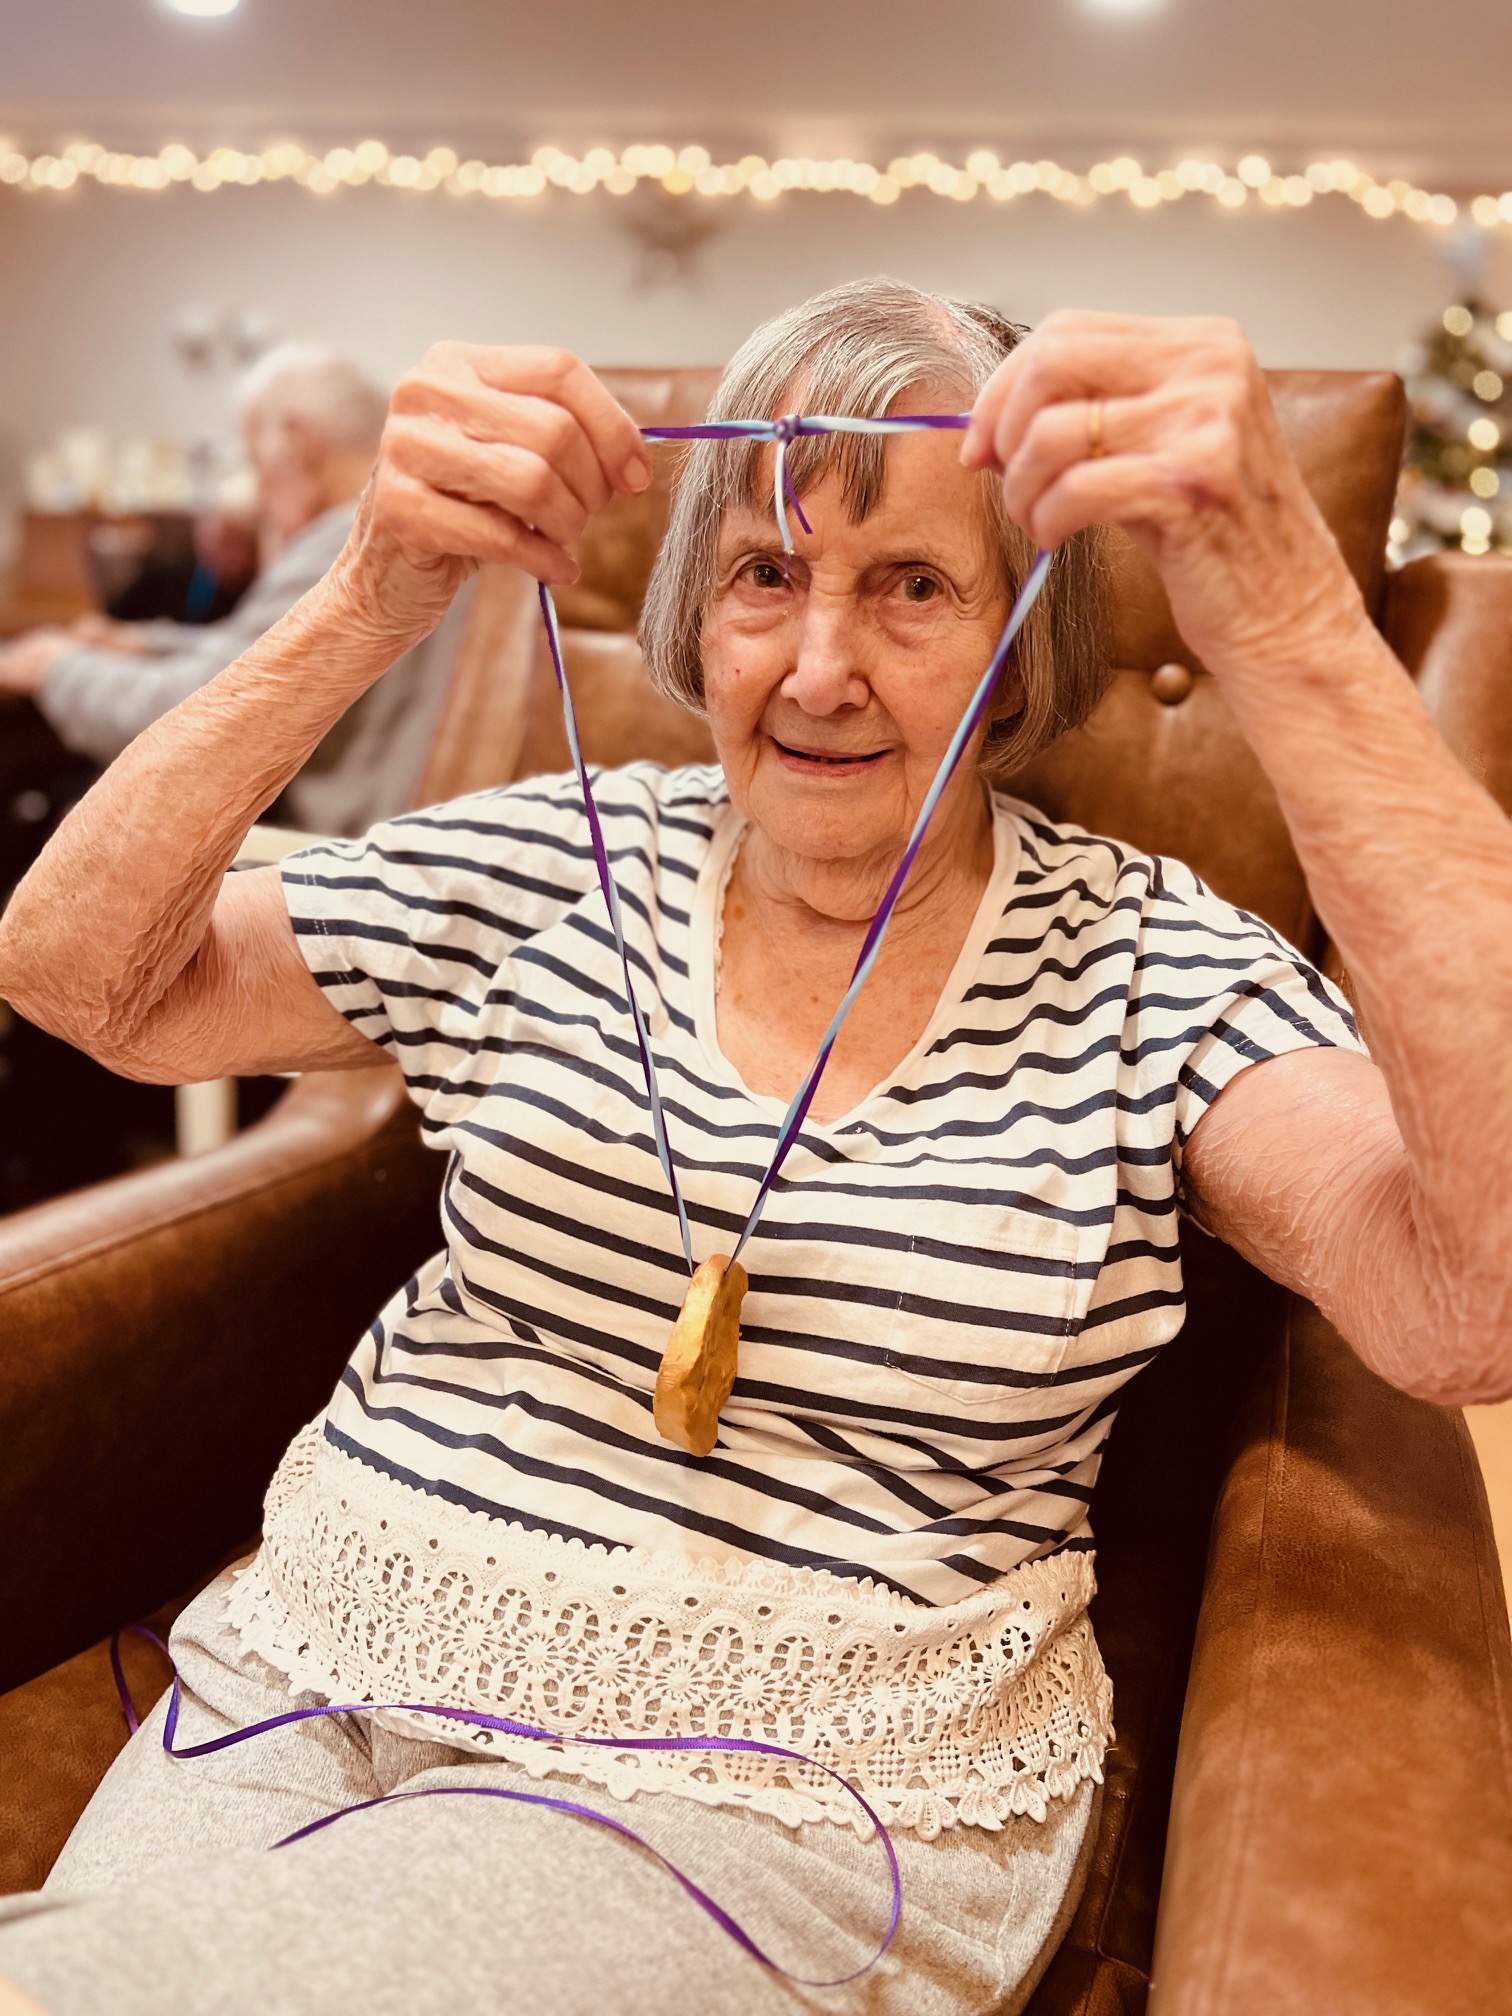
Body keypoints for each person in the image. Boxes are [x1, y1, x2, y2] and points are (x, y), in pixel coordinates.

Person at [0, 279, 1509, 2016]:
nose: (814, 669)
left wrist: (1297, 636)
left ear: (1022, 633)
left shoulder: (1146, 964)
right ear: (692, 612)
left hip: (785, 1779)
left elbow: (1466, 1302)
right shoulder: (562, 858)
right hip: (315, 1654)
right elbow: (84, 980)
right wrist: (365, 597)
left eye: (912, 585)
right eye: (764, 575)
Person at [0, 345, 468, 837]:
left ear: (300, 443)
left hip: (317, 849)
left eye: (253, 463)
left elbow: (190, 717)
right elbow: (263, 655)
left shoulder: (347, 547)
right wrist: (147, 642)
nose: (257, 497)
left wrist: (54, 667)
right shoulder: (402, 534)